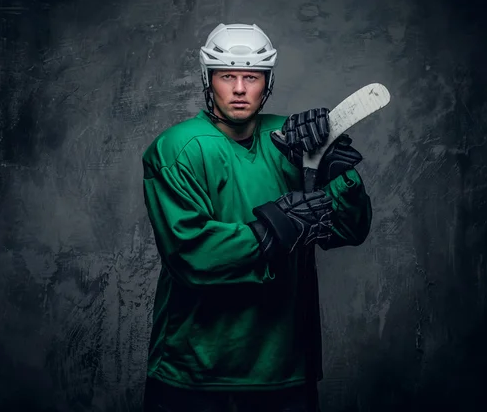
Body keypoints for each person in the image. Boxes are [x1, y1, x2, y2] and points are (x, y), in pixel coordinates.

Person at [141, 23, 373, 412]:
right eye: (226, 76)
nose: (239, 88)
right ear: (207, 79)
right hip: (195, 372)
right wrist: (277, 226)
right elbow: (191, 255)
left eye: (251, 76)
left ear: (267, 82)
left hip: (284, 369)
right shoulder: (177, 148)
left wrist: (333, 168)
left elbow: (351, 228)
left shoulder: (293, 141)